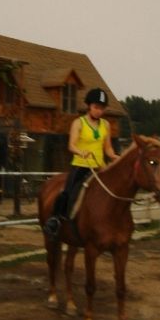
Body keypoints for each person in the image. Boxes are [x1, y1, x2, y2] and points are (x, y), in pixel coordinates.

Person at [44, 88, 119, 238]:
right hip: (81, 165)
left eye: (102, 108)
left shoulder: (106, 125)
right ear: (89, 106)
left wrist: (116, 157)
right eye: (96, 107)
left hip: (99, 168)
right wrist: (81, 151)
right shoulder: (78, 123)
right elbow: (71, 145)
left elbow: (108, 148)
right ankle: (55, 220)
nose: (99, 111)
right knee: (68, 192)